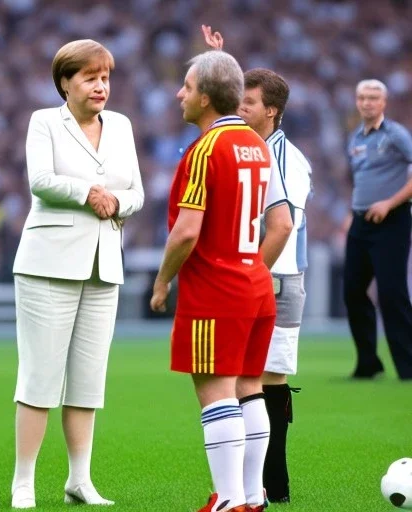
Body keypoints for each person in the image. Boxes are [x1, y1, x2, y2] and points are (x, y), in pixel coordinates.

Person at [150, 49, 292, 512]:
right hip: (254, 285)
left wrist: (161, 281)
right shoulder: (256, 144)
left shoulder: (206, 149)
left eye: (187, 87)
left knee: (215, 394)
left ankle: (228, 500)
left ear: (206, 97)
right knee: (250, 390)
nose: (180, 94)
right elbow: (281, 222)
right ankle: (253, 497)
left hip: (216, 288)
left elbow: (187, 230)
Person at [11, 39, 144, 509]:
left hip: (103, 266)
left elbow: (136, 192)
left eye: (105, 77)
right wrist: (91, 192)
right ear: (65, 83)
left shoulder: (123, 126)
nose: (100, 85)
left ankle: (79, 481)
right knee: (39, 379)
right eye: (89, 77)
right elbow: (40, 180)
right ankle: (23, 483)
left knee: (88, 381)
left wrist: (115, 201)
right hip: (47, 265)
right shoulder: (43, 121)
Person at [203, 26, 312, 504]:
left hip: (277, 277)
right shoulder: (250, 148)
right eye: (238, 99)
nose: (240, 107)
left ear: (271, 110)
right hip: (259, 276)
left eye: (248, 102)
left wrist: (250, 273)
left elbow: (283, 225)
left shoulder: (287, 159)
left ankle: (272, 484)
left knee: (267, 380)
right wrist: (217, 61)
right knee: (249, 379)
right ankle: (257, 487)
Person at [345, 79, 412, 380]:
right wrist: (355, 211)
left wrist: (389, 202)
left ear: (383, 103)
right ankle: (368, 363)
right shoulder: (355, 138)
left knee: (391, 292)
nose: (367, 102)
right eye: (362, 97)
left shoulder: (396, 134)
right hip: (361, 222)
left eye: (373, 97)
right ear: (357, 101)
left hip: (392, 221)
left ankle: (408, 366)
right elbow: (361, 180)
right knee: (352, 290)